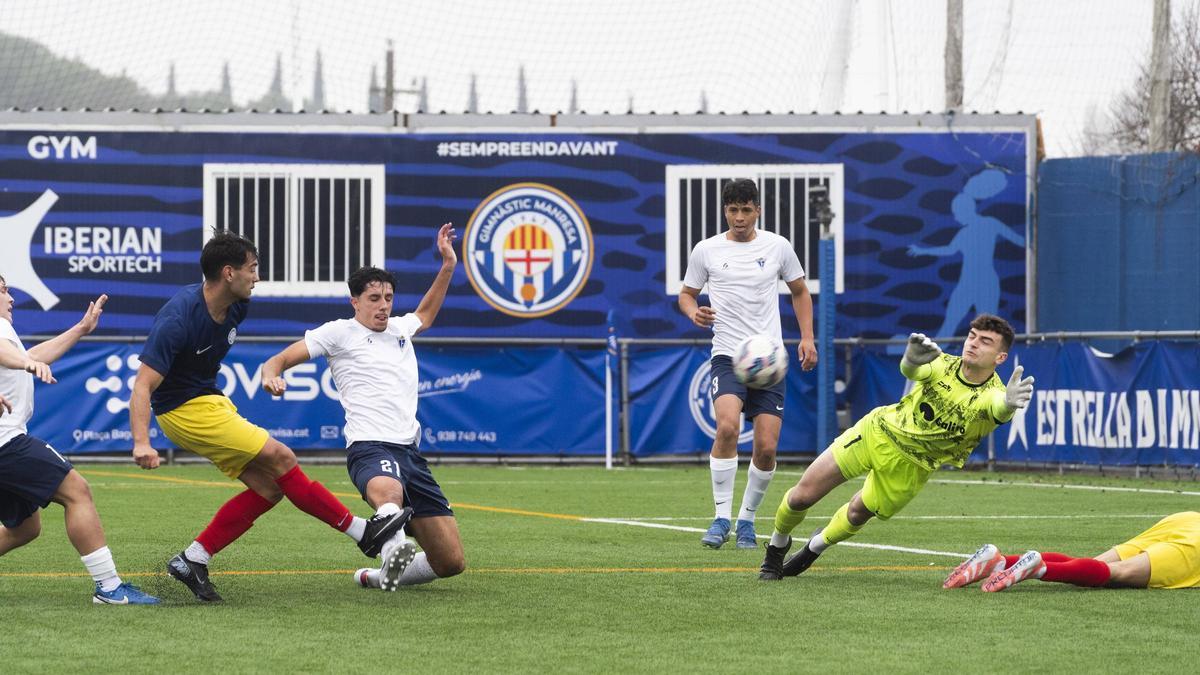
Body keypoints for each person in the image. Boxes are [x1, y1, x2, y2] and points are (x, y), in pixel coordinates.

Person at [129, 231, 409, 602]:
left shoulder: (237, 306)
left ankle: (193, 559)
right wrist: (141, 442)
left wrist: (267, 374)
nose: (257, 277)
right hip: (184, 411)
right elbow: (142, 387)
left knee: (271, 487)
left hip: (209, 400)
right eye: (253, 268)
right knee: (282, 457)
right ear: (229, 273)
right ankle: (362, 532)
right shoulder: (177, 319)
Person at [261, 223, 466, 592]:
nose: (384, 305)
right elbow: (278, 359)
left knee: (450, 562)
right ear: (354, 301)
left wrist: (448, 264)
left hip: (411, 453)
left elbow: (427, 314)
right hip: (369, 446)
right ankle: (394, 548)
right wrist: (272, 375)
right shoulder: (339, 333)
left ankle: (377, 575)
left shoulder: (401, 329)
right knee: (389, 494)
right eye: (374, 298)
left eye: (388, 297)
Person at [759, 313, 1035, 580]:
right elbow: (914, 369)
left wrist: (1008, 404)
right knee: (802, 496)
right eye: (972, 336)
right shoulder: (943, 364)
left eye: (985, 341)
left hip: (913, 465)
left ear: (1001, 357)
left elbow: (998, 407)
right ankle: (776, 547)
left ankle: (814, 547)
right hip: (877, 432)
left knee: (857, 513)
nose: (973, 343)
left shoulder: (997, 394)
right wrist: (910, 360)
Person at [0, 275, 158, 604]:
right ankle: (110, 588)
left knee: (26, 528)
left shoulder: (6, 331)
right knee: (77, 491)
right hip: (6, 443)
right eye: (3, 292)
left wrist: (80, 329)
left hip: (8, 440)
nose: (11, 298)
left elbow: (34, 355)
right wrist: (26, 362)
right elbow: (16, 358)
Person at [678, 178, 818, 550]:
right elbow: (687, 294)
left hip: (769, 359)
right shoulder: (706, 250)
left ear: (758, 210)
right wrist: (693, 313)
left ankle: (746, 520)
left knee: (767, 448)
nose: (739, 217)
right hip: (727, 354)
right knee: (726, 426)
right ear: (725, 211)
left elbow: (800, 291)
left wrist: (807, 338)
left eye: (746, 209)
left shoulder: (778, 246)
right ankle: (721, 517)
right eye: (732, 210)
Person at [945, 511, 1200, 591]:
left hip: (1188, 519)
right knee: (1116, 574)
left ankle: (1001, 563)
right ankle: (1040, 568)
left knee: (1091, 565)